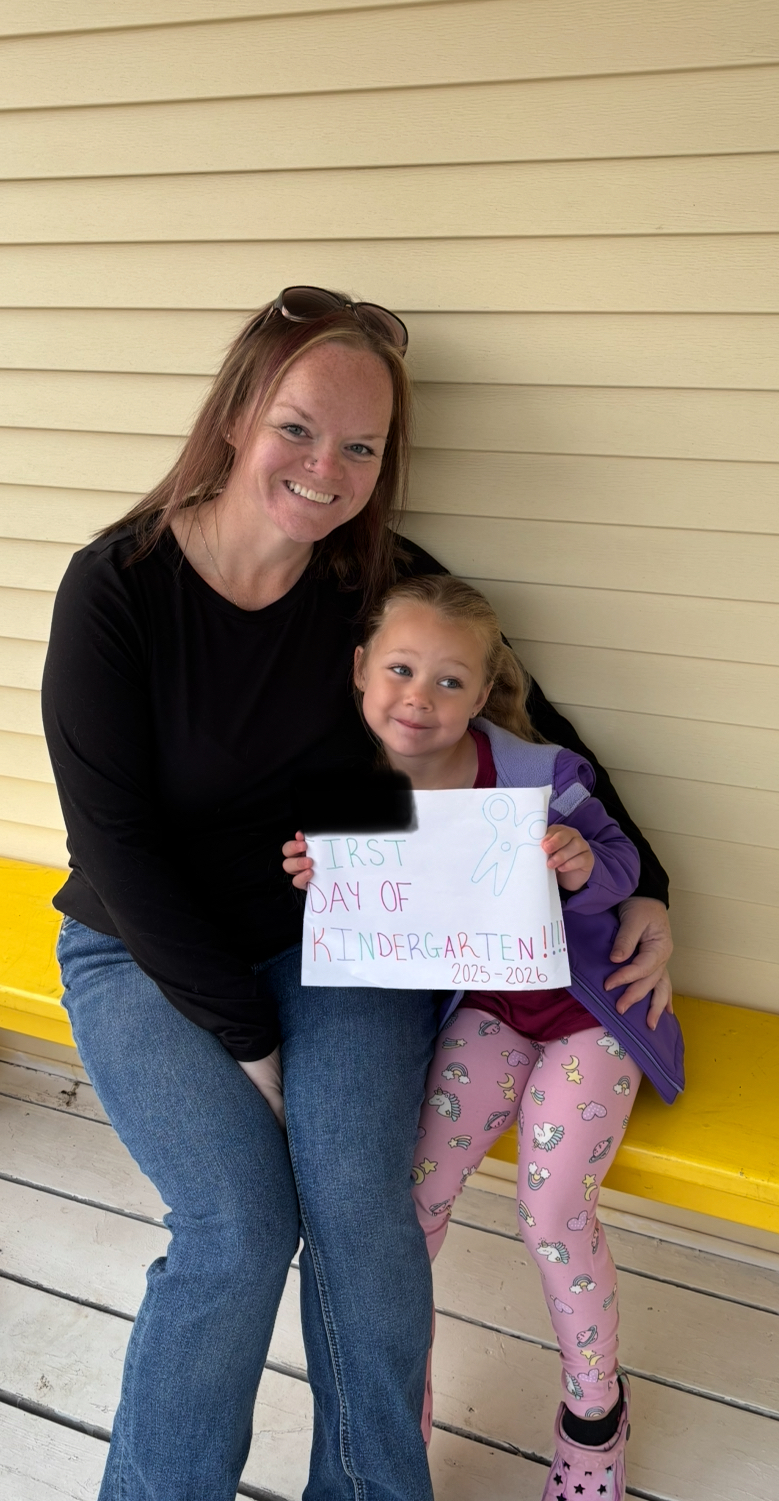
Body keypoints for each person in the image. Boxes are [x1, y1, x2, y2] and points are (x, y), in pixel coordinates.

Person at [42, 286, 673, 1501]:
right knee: (236, 1230)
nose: (325, 467)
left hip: (348, 933)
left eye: (361, 446)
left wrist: (649, 882)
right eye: (296, 427)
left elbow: (533, 728)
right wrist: (248, 1042)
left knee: (359, 1213)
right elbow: (113, 841)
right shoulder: (116, 588)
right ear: (235, 416)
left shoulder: (374, 583)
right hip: (145, 951)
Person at [283, 573, 683, 1501]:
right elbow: (375, 908)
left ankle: (594, 1412)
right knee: (410, 1197)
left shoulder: (537, 773)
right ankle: (396, 1392)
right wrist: (316, 874)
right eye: (399, 670)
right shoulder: (356, 790)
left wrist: (587, 867)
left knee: (553, 1210)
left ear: (485, 687)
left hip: (591, 1011)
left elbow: (621, 858)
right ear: (359, 671)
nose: (419, 697)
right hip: (492, 1009)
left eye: (449, 681)